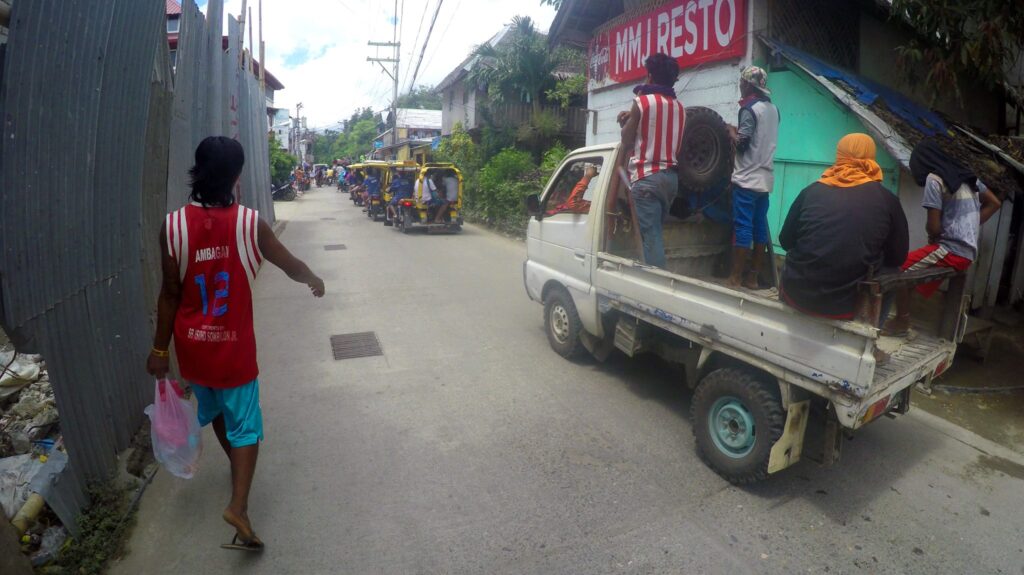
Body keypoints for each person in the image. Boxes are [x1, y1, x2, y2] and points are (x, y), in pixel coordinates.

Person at [146, 136, 325, 552]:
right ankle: (239, 506)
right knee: (245, 423)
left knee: (220, 415)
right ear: (236, 176)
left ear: (196, 170)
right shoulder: (250, 223)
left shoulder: (171, 227)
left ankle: (237, 473)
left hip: (193, 349)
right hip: (234, 350)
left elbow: (169, 294)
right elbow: (289, 264)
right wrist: (313, 279)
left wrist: (159, 351)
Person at [779, 133, 909, 319]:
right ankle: (872, 335)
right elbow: (897, 257)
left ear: (839, 154)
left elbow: (785, 242)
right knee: (893, 272)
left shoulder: (811, 191)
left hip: (797, 297)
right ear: (870, 156)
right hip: (847, 307)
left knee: (792, 255)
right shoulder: (887, 200)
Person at [882, 139, 1002, 335]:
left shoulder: (934, 180)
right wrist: (969, 227)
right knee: (912, 270)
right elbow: (995, 203)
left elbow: (934, 226)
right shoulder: (968, 177)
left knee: (899, 271)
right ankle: (901, 317)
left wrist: (935, 235)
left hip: (952, 250)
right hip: (967, 252)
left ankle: (902, 322)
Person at [617, 53, 686, 268]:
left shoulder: (642, 101)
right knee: (655, 232)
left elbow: (626, 139)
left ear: (650, 75)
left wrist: (626, 121)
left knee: (651, 239)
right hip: (671, 181)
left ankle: (657, 289)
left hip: (647, 178)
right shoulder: (680, 108)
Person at [727, 66, 780, 289]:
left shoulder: (749, 109)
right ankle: (752, 278)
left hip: (747, 179)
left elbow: (743, 143)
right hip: (764, 181)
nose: (740, 86)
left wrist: (730, 131)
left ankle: (736, 277)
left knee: (743, 227)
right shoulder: (774, 110)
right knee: (758, 227)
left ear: (748, 85)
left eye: (741, 83)